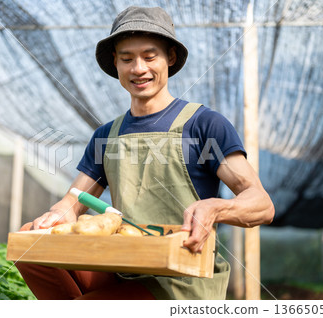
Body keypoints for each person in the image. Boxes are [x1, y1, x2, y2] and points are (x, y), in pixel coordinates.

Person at [16, 6, 274, 300]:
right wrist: (54, 217)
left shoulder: (204, 125)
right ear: (115, 63)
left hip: (181, 279)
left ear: (170, 58)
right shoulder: (107, 136)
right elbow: (72, 203)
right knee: (29, 242)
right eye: (127, 58)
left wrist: (215, 208)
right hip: (121, 266)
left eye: (150, 57)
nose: (138, 68)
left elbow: (262, 205)